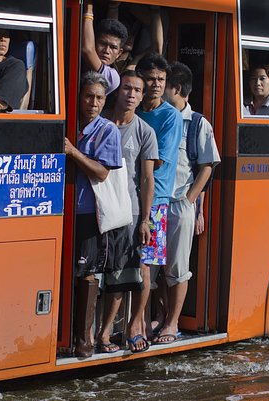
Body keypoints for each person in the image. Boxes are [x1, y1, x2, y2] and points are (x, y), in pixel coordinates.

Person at [152, 61, 220, 345]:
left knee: (178, 266)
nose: (157, 88)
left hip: (180, 203)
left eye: (163, 84)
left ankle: (172, 322)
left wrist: (192, 201)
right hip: (155, 203)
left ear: (176, 89)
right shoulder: (156, 115)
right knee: (152, 264)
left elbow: (207, 165)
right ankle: (156, 316)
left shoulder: (198, 123)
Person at [96, 70, 159, 353]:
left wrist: (145, 219)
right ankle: (88, 332)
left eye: (137, 90)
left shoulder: (145, 132)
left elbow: (147, 179)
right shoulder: (99, 123)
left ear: (142, 97)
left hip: (129, 212)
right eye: (126, 89)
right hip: (96, 207)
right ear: (116, 91)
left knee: (123, 275)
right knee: (94, 273)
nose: (131, 94)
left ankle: (107, 333)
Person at [65, 71, 124, 358]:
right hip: (63, 211)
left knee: (86, 274)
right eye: (89, 96)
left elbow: (102, 172)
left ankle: (83, 338)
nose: (94, 103)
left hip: (89, 212)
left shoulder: (107, 130)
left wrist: (73, 153)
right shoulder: (69, 122)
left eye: (100, 98)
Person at [135, 53, 183, 338]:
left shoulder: (170, 116)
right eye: (151, 78)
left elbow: (158, 161)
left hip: (157, 199)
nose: (155, 84)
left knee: (149, 264)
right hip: (130, 194)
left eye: (161, 80)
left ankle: (149, 320)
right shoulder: (132, 108)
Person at [82, 0, 128, 95]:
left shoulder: (112, 77)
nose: (107, 51)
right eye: (102, 44)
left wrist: (88, 7)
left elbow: (88, 50)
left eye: (113, 48)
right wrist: (113, 7)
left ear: (119, 53)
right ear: (94, 42)